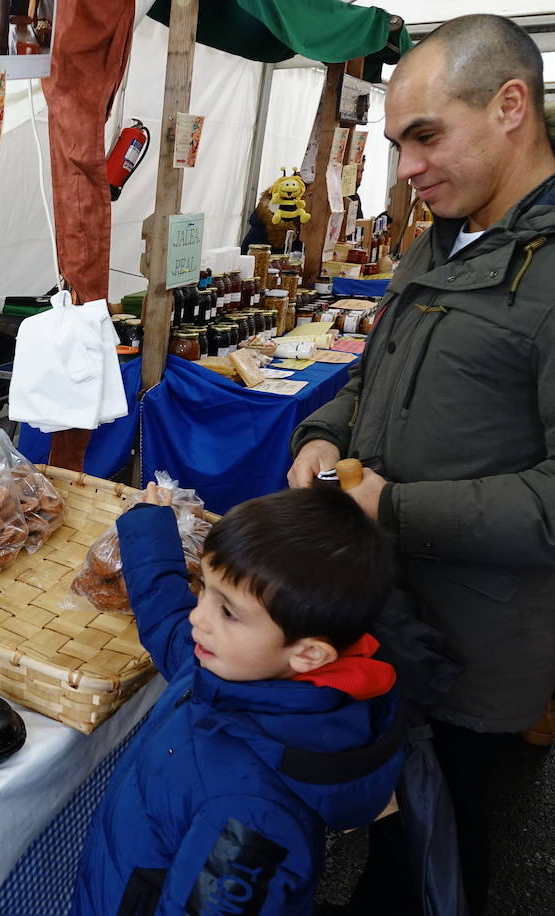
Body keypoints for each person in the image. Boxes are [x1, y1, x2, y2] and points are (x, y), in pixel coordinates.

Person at [286, 14, 555, 913]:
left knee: (451, 847)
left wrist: (388, 506)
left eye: (425, 136)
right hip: (395, 615)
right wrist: (321, 437)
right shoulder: (441, 240)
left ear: (511, 105)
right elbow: (371, 376)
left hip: (480, 646)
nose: (404, 166)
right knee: (397, 825)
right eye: (400, 141)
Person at [71, 485, 403, 916]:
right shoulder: (233, 666)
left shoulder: (255, 813)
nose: (198, 616)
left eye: (228, 611)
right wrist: (150, 532)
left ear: (308, 654)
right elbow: (169, 620)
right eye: (205, 590)